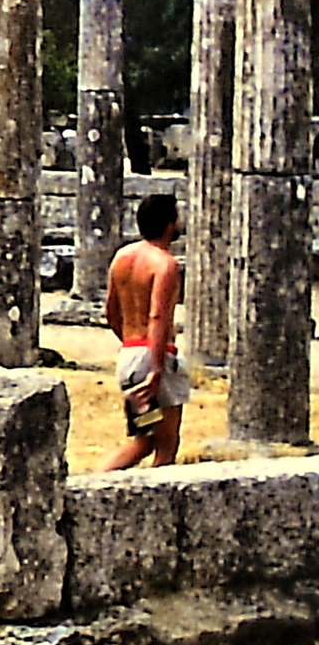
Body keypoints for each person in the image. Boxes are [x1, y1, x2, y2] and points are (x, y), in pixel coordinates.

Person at [101, 193, 189, 470]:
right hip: (154, 358)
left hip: (129, 355)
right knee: (166, 446)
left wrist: (133, 345)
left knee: (144, 439)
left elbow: (111, 313)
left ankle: (97, 483)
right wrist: (156, 367)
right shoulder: (166, 264)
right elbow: (158, 316)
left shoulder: (122, 258)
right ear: (168, 224)